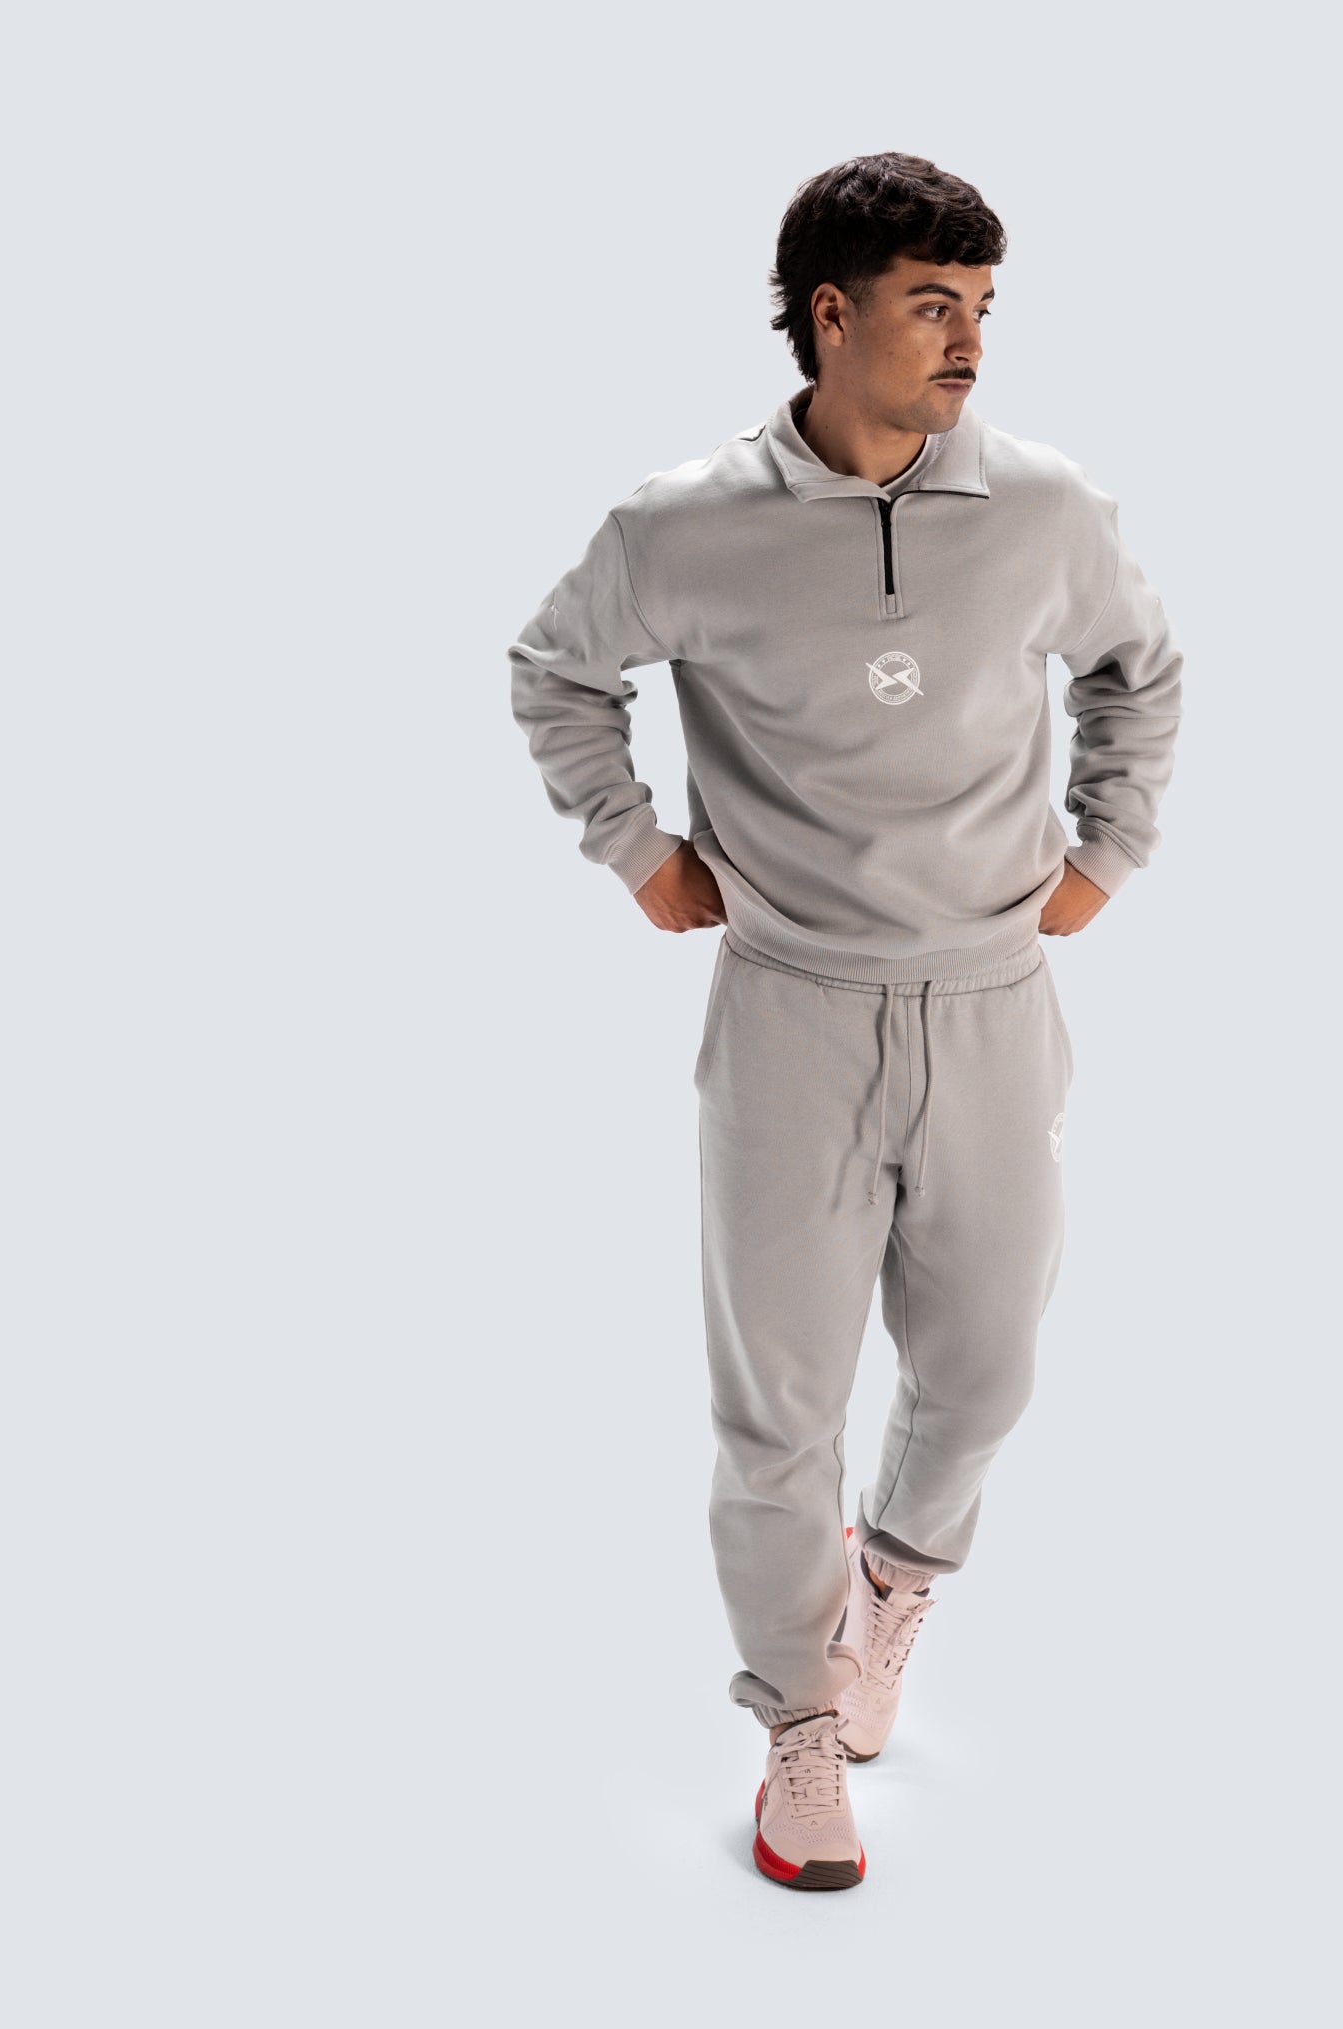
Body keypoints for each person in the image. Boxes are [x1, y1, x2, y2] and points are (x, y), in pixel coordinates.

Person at [507, 152, 1185, 1890]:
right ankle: (797, 1729)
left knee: (986, 1367)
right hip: (793, 1013)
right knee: (778, 1411)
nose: (969, 342)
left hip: (992, 1002)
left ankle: (890, 1586)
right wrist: (635, 848)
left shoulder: (1043, 507)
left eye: (984, 308)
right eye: (931, 305)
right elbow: (556, 668)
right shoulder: (684, 528)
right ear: (829, 315)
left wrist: (1108, 849)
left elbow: (1140, 666)